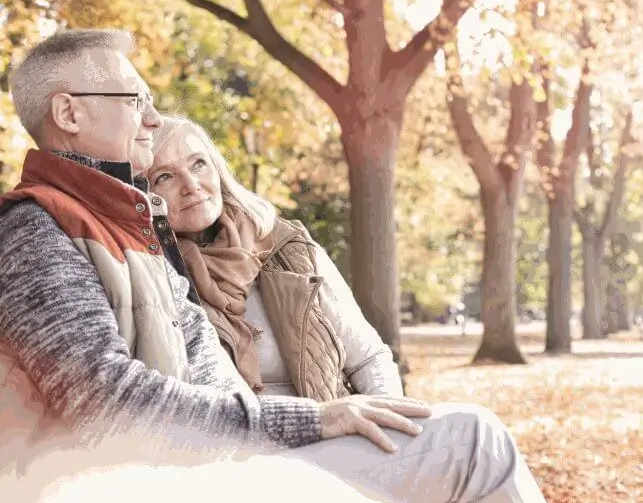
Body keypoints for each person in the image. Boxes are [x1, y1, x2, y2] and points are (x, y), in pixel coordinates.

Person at [0, 28, 546, 502]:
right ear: (70, 112)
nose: (153, 117)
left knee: (469, 433)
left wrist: (332, 422)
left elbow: (219, 386)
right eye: (134, 98)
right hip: (142, 487)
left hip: (213, 470)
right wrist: (314, 418)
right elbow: (109, 408)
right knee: (474, 444)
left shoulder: (137, 231)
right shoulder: (35, 229)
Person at [147, 114, 402, 401]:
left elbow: (369, 360)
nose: (191, 184)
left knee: (459, 425)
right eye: (164, 176)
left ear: (217, 170)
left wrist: (388, 429)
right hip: (248, 440)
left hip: (342, 429)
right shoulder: (150, 274)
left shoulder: (289, 247)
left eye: (198, 164)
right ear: (144, 195)